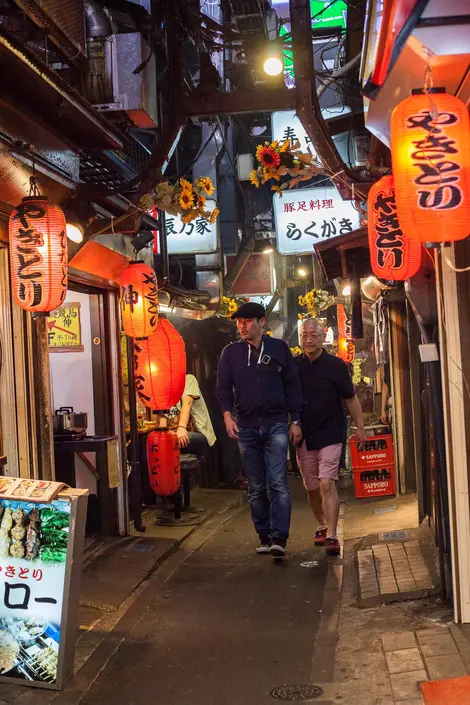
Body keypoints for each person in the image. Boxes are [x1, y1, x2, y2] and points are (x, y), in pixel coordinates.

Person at [216, 302, 303, 557]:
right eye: (238, 321)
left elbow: (292, 385)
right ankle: (263, 536)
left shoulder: (278, 348)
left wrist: (295, 420)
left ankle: (279, 537)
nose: (242, 325)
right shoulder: (230, 353)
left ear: (261, 322)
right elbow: (223, 388)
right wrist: (227, 415)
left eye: (247, 320)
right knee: (255, 486)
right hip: (246, 426)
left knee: (277, 482)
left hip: (276, 422)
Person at [295, 318, 366, 556]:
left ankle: (333, 535)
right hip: (304, 436)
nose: (308, 340)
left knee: (327, 483)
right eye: (305, 335)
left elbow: (350, 399)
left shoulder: (335, 366)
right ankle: (322, 525)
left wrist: (360, 426)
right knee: (312, 487)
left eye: (313, 335)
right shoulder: (294, 366)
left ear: (322, 336)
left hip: (331, 432)